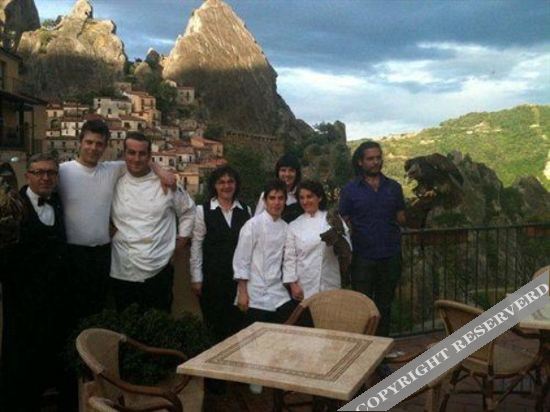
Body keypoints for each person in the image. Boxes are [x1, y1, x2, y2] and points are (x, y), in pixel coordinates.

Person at [58, 119, 174, 322]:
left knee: (99, 312)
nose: (93, 148)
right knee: (69, 312)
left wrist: (161, 171)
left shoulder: (111, 170)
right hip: (71, 255)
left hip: (102, 255)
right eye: (89, 142)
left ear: (106, 146)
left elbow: (139, 160)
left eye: (99, 144)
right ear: (80, 141)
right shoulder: (62, 171)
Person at [0, 153, 68, 411]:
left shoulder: (58, 204)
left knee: (46, 359)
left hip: (53, 300)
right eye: (39, 172)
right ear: (28, 175)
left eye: (50, 172)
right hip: (21, 301)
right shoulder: (12, 208)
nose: (45, 177)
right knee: (19, 362)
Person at [110, 132, 195, 313]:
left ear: (149, 156)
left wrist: (180, 243)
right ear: (124, 154)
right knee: (125, 324)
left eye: (142, 153)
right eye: (131, 153)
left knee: (158, 323)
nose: (136, 158)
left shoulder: (166, 183)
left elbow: (188, 211)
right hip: (122, 268)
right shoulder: (114, 181)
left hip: (159, 268)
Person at [190, 165, 251, 394]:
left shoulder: (246, 209)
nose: (226, 186)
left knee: (237, 328)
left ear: (236, 184)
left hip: (238, 281)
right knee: (214, 328)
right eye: (221, 182)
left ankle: (237, 376)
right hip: (212, 279)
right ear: (214, 186)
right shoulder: (202, 210)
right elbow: (196, 246)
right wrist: (196, 278)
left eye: (230, 181)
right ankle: (215, 382)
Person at [339, 141, 406, 337]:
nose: (376, 162)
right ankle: (365, 349)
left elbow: (401, 217)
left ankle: (382, 349)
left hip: (390, 255)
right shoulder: (350, 190)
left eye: (378, 157)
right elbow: (343, 221)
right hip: (362, 257)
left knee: (385, 306)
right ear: (360, 162)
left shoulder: (394, 187)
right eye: (370, 159)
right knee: (363, 307)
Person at [234, 180, 295, 326]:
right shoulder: (252, 225)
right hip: (254, 293)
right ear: (265, 201)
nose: (276, 203)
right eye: (272, 198)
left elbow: (288, 260)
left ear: (285, 201)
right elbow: (241, 259)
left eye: (280, 198)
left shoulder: (286, 228)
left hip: (278, 292)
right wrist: (242, 293)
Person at [283, 180, 351, 301]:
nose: (305, 201)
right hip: (304, 285)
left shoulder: (332, 218)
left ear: (319, 197)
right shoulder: (294, 226)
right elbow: (289, 258)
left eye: (309, 196)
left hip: (330, 281)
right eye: (302, 198)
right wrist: (293, 285)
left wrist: (337, 241)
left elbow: (347, 248)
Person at [254, 153, 303, 223]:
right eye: (283, 170)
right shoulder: (267, 194)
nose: (287, 174)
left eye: (291, 170)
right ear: (278, 172)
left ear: (297, 173)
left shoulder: (302, 196)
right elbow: (257, 220)